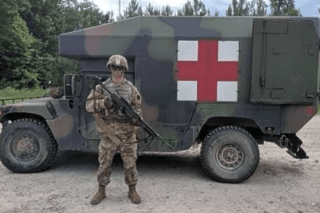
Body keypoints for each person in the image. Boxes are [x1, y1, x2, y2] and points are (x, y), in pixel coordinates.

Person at [86, 55, 142, 205]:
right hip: (109, 131)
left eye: (120, 68)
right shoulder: (101, 87)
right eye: (114, 68)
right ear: (110, 68)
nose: (117, 71)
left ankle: (132, 189)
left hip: (127, 132)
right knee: (104, 163)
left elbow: (137, 107)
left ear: (125, 70)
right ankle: (101, 191)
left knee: (130, 162)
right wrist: (104, 102)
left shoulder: (131, 88)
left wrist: (136, 118)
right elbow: (89, 106)